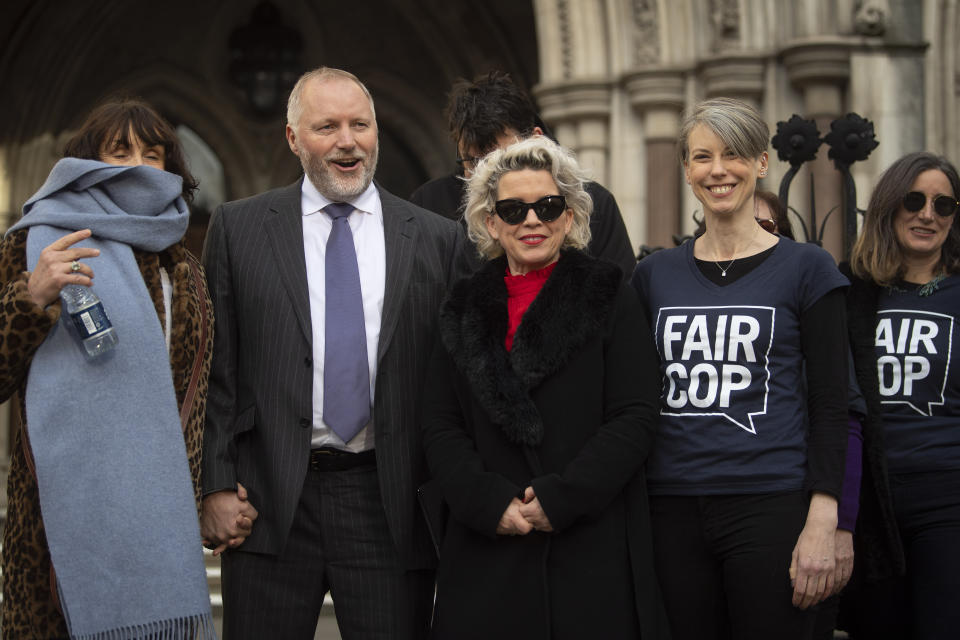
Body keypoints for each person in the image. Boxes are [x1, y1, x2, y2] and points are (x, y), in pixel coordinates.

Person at [199, 66, 466, 639]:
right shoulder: (238, 228)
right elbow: (218, 372)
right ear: (294, 139)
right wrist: (215, 484)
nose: (348, 141)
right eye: (327, 126)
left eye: (360, 125)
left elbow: (455, 380)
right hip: (268, 501)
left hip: (388, 502)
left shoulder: (438, 237)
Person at [420, 136, 669, 640]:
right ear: (491, 223)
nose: (531, 221)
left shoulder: (609, 294)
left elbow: (636, 415)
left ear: (570, 216)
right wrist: (489, 503)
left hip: (589, 544)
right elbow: (440, 424)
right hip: (488, 550)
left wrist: (562, 498)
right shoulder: (462, 305)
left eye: (547, 206)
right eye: (513, 209)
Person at [631, 97, 849, 639]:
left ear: (760, 163)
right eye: (702, 157)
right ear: (685, 169)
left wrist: (826, 519)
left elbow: (831, 402)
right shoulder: (653, 275)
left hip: (771, 503)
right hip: (671, 509)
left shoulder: (808, 268)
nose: (718, 170)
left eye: (734, 154)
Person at [0, 98, 215, 638]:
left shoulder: (183, 264)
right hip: (56, 526)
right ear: (85, 164)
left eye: (152, 153)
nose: (139, 165)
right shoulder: (33, 244)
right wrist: (32, 297)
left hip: (160, 520)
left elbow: (207, 393)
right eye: (119, 152)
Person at [836, 151, 960, 639]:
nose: (927, 214)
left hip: (948, 494)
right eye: (914, 200)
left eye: (944, 205)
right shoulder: (852, 290)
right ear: (890, 206)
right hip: (871, 497)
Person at [410, 70, 637, 276]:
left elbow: (618, 293)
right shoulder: (429, 204)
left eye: (499, 160)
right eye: (472, 163)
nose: (485, 176)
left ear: (536, 138)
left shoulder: (594, 204)